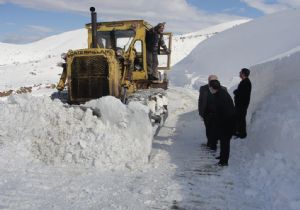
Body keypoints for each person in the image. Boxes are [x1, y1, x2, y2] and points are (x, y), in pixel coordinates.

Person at [209, 80, 235, 166]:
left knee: (225, 142)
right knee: (223, 142)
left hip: (227, 123)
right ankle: (222, 156)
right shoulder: (219, 93)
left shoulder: (221, 96)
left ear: (213, 88)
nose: (210, 89)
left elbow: (224, 111)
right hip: (224, 122)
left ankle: (224, 162)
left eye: (210, 87)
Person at [198, 75, 226, 151]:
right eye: (210, 81)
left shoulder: (223, 89)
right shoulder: (203, 88)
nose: (211, 82)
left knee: (215, 128)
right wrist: (200, 112)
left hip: (217, 113)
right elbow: (200, 100)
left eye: (213, 81)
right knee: (208, 128)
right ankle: (210, 142)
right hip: (206, 113)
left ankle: (213, 143)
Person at [233, 68, 252, 139]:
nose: (239, 73)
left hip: (242, 104)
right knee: (239, 118)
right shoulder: (244, 81)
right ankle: (238, 132)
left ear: (243, 74)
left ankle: (242, 134)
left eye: (240, 72)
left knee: (241, 118)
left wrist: (236, 92)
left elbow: (242, 93)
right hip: (240, 104)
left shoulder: (246, 82)